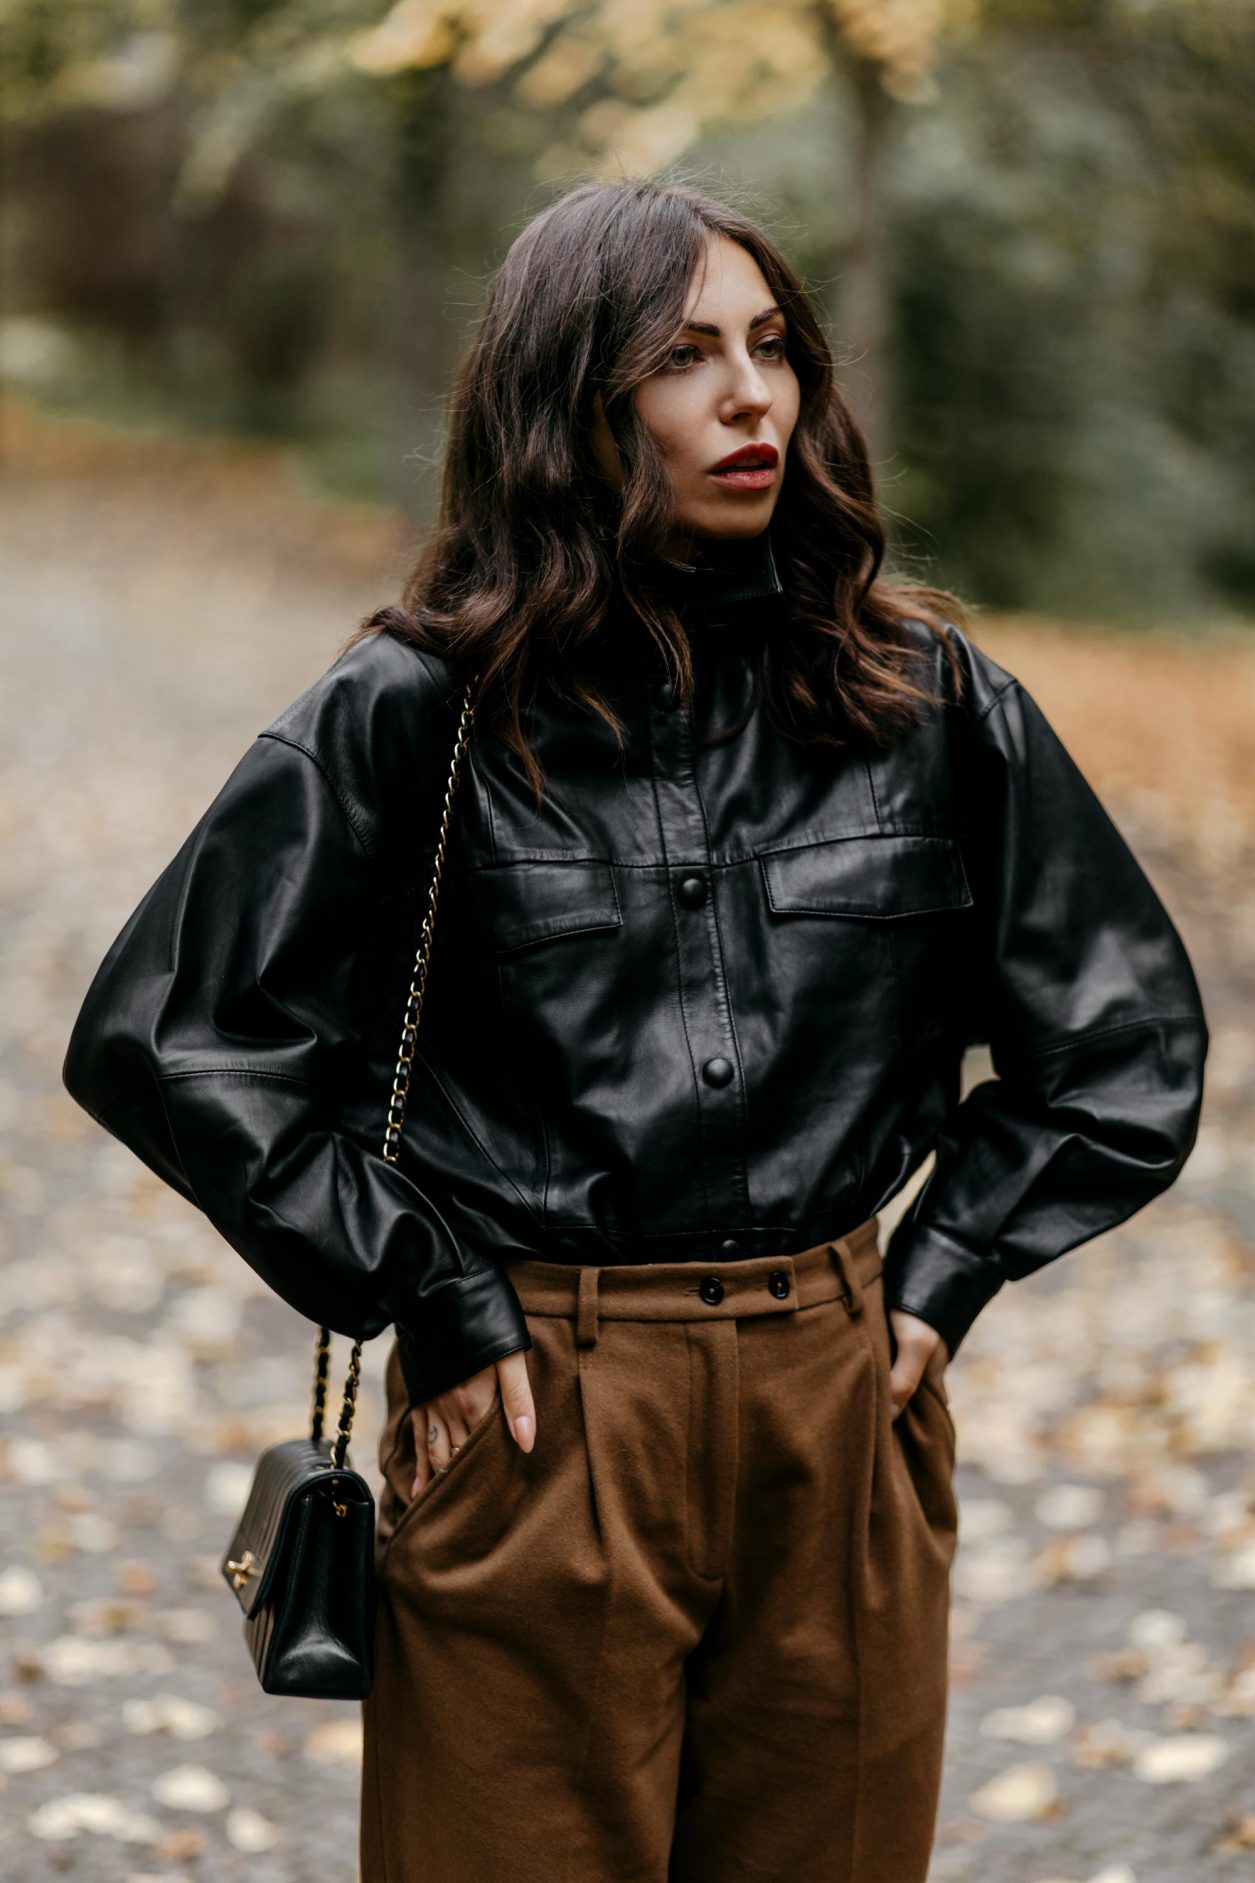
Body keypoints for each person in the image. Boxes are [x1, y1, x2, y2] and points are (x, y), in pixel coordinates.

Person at [61, 178, 1209, 1883]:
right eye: (683, 357)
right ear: (569, 403)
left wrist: (944, 1269)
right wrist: (429, 1288)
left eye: (773, 347)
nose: (751, 397)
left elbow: (1125, 1044)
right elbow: (166, 1034)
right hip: (539, 1419)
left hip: (840, 1407)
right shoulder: (419, 710)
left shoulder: (926, 701)